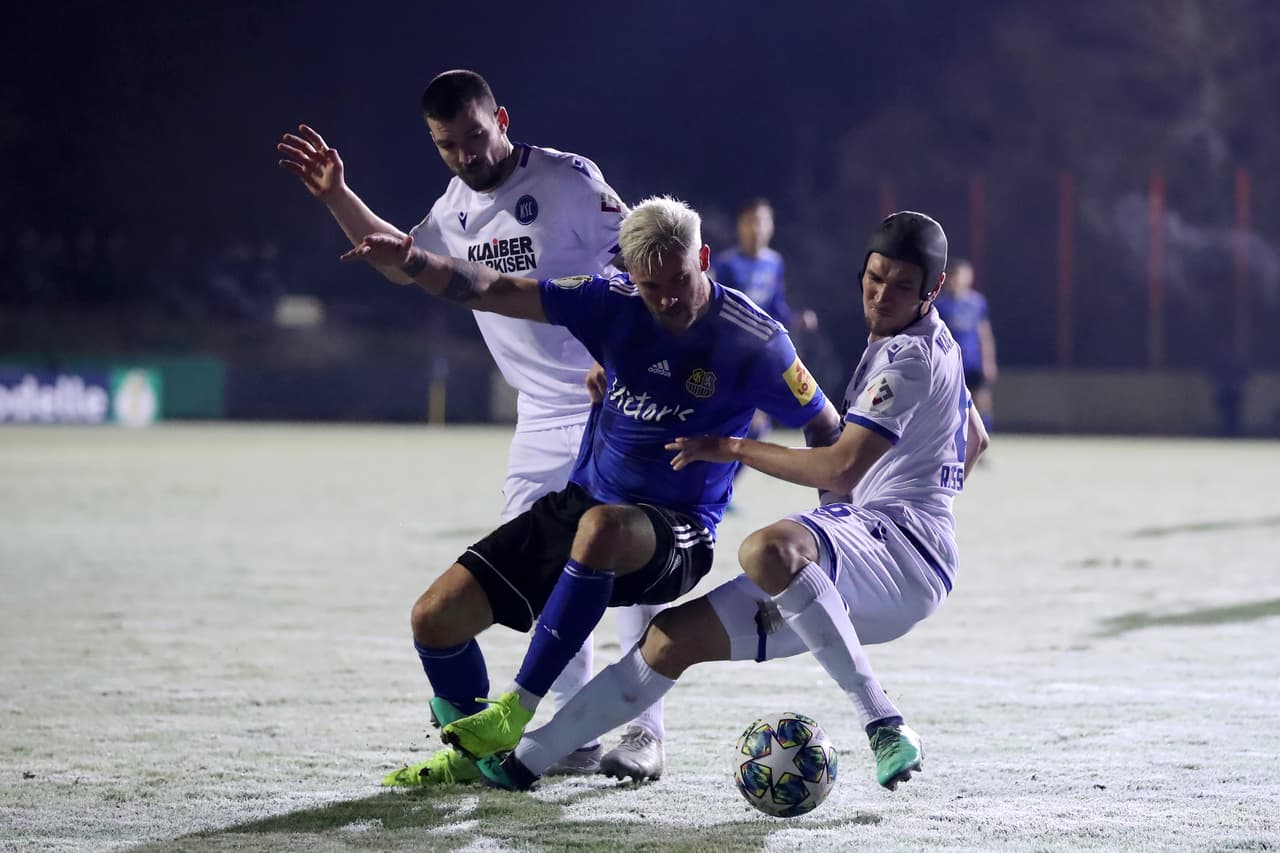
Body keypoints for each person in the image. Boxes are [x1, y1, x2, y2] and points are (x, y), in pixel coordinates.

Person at [340, 195, 843, 783]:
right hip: (585, 505)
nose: (669, 299)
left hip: (677, 533)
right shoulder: (610, 301)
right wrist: (413, 259)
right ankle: (475, 757)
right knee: (434, 619)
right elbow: (495, 288)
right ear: (631, 277)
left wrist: (830, 523)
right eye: (651, 287)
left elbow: (826, 427)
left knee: (602, 530)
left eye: (680, 279)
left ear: (703, 257)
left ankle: (518, 708)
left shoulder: (755, 339)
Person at [481, 211, 989, 793]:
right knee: (670, 639)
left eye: (902, 286)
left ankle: (883, 722)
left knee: (769, 547)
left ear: (933, 289)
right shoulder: (930, 342)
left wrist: (730, 447)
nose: (883, 294)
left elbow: (839, 465)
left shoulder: (907, 359)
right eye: (875, 278)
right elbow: (974, 437)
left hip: (896, 546)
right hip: (880, 559)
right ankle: (528, 759)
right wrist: (930, 499)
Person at [276, 69, 665, 781]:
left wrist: (627, 356)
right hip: (540, 418)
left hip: (614, 404)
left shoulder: (570, 179)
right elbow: (402, 259)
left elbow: (640, 261)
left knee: (627, 572)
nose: (465, 155)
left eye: (476, 137)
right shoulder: (453, 212)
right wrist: (337, 196)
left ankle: (645, 728)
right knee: (548, 576)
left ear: (503, 119)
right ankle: (574, 734)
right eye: (447, 145)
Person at [711, 198, 819, 483]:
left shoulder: (774, 263)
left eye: (762, 221)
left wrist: (795, 318)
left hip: (759, 356)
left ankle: (725, 486)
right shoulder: (726, 264)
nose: (756, 228)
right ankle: (713, 484)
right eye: (751, 221)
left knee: (758, 425)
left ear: (771, 226)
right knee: (725, 421)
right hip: (727, 357)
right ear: (741, 226)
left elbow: (775, 307)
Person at [933, 259, 997, 425]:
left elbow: (985, 334)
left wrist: (988, 362)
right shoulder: (941, 305)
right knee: (949, 403)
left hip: (972, 362)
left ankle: (982, 442)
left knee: (981, 400)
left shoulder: (977, 303)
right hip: (951, 363)